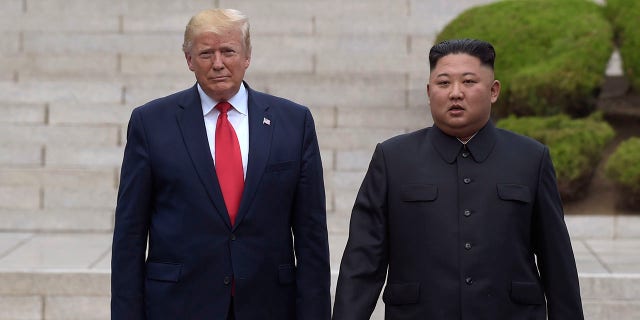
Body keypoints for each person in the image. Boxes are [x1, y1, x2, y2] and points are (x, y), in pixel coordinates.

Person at [332, 39, 584, 319]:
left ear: (493, 91)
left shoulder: (530, 158)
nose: (455, 93)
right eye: (443, 83)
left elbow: (557, 263)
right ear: (429, 92)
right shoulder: (393, 159)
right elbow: (363, 260)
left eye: (468, 82)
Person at [111, 8, 331, 320]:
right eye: (205, 53)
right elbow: (129, 237)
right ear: (188, 60)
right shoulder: (151, 123)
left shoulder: (293, 123)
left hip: (269, 304)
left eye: (228, 51)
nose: (218, 63)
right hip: (178, 305)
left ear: (247, 56)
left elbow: (311, 237)